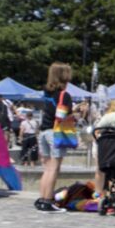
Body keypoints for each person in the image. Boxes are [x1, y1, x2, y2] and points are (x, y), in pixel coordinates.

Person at [34, 63, 73, 211]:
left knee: (47, 168)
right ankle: (49, 200)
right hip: (55, 133)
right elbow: (61, 116)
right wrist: (73, 114)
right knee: (54, 168)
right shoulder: (64, 95)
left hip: (43, 131)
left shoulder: (47, 92)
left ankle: (42, 198)